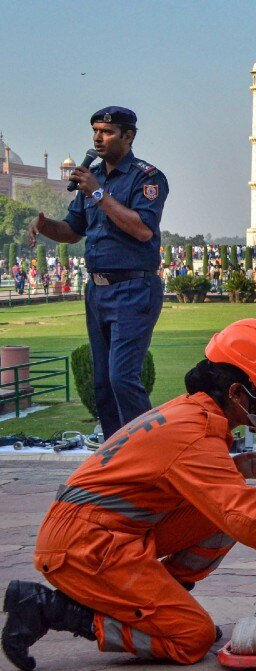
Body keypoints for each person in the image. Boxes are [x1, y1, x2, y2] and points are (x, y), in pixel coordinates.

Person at [0, 319, 256, 670]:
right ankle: (50, 609)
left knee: (221, 518)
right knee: (192, 637)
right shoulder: (196, 433)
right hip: (83, 546)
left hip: (100, 530)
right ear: (237, 393)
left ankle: (159, 599)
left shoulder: (190, 412)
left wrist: (232, 469)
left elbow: (163, 481)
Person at [26, 107, 167, 440]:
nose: (97, 138)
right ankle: (117, 453)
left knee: (122, 378)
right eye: (94, 131)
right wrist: (45, 226)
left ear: (128, 136)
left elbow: (143, 230)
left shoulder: (146, 178)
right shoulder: (93, 178)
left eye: (106, 132)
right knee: (103, 382)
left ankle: (151, 450)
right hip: (98, 291)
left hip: (134, 287)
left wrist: (99, 194)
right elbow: (74, 231)